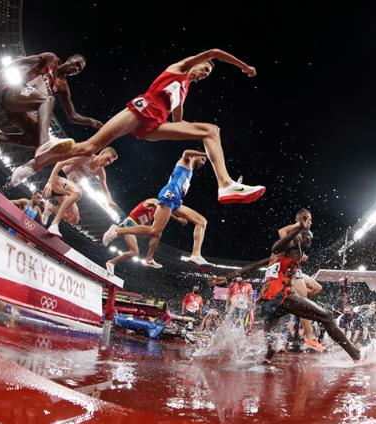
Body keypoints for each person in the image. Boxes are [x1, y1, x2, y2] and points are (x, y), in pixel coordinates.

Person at [11, 48, 265, 204]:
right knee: (89, 148)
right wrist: (243, 66)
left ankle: (225, 184)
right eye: (205, 68)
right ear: (196, 63)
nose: (205, 72)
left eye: (208, 74)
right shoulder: (179, 68)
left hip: (155, 124)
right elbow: (215, 51)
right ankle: (35, 163)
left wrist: (206, 150)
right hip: (141, 108)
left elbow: (179, 124)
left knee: (211, 130)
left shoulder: (183, 92)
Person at [237, 212, 360, 362]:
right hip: (280, 294)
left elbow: (255, 264)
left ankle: (267, 359)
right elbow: (278, 242)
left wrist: (229, 276)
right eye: (307, 236)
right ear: (298, 236)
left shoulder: (292, 252)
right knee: (326, 316)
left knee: (271, 341)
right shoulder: (291, 246)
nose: (310, 240)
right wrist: (298, 226)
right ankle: (356, 355)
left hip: (267, 300)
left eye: (311, 238)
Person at [102, 150, 212, 269]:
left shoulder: (190, 171)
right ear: (197, 155)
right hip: (169, 194)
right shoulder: (187, 161)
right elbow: (186, 152)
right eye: (202, 159)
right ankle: (117, 231)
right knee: (155, 231)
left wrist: (178, 217)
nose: (203, 163)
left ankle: (195, 255)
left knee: (201, 222)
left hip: (176, 200)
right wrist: (208, 153)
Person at [0, 52, 102, 158]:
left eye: (79, 69)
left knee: (35, 139)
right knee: (49, 100)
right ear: (70, 59)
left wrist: (90, 121)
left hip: (20, 112)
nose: (76, 68)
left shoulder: (63, 87)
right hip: (12, 93)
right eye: (76, 64)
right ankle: (45, 144)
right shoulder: (51, 59)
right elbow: (20, 61)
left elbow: (72, 115)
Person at [277, 209, 325, 351]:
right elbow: (281, 232)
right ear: (302, 219)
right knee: (304, 302)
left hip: (298, 270)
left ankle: (293, 302)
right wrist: (298, 224)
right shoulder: (295, 229)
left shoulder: (301, 235)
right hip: (289, 272)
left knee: (317, 288)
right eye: (309, 219)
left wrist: (301, 257)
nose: (311, 222)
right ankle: (310, 338)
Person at [42, 147, 118, 237]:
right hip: (58, 179)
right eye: (107, 158)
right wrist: (49, 183)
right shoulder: (86, 157)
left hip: (66, 190)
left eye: (110, 162)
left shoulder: (100, 171)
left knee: (74, 219)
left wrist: (109, 200)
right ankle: (54, 224)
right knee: (78, 192)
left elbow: (106, 188)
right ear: (102, 152)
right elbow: (60, 163)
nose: (107, 163)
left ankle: (50, 208)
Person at [104, 198, 187, 274]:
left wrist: (154, 240)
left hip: (134, 228)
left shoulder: (152, 215)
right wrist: (176, 218)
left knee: (134, 252)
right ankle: (116, 230)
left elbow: (148, 227)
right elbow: (160, 206)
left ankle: (111, 262)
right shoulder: (154, 201)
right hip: (129, 224)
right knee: (156, 232)